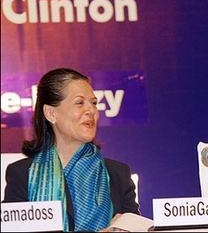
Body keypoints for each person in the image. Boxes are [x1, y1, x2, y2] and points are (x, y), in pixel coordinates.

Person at [2, 68, 140, 231]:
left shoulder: (118, 174)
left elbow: (136, 225)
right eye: (79, 103)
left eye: (94, 103)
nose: (91, 111)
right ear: (51, 113)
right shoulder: (21, 174)